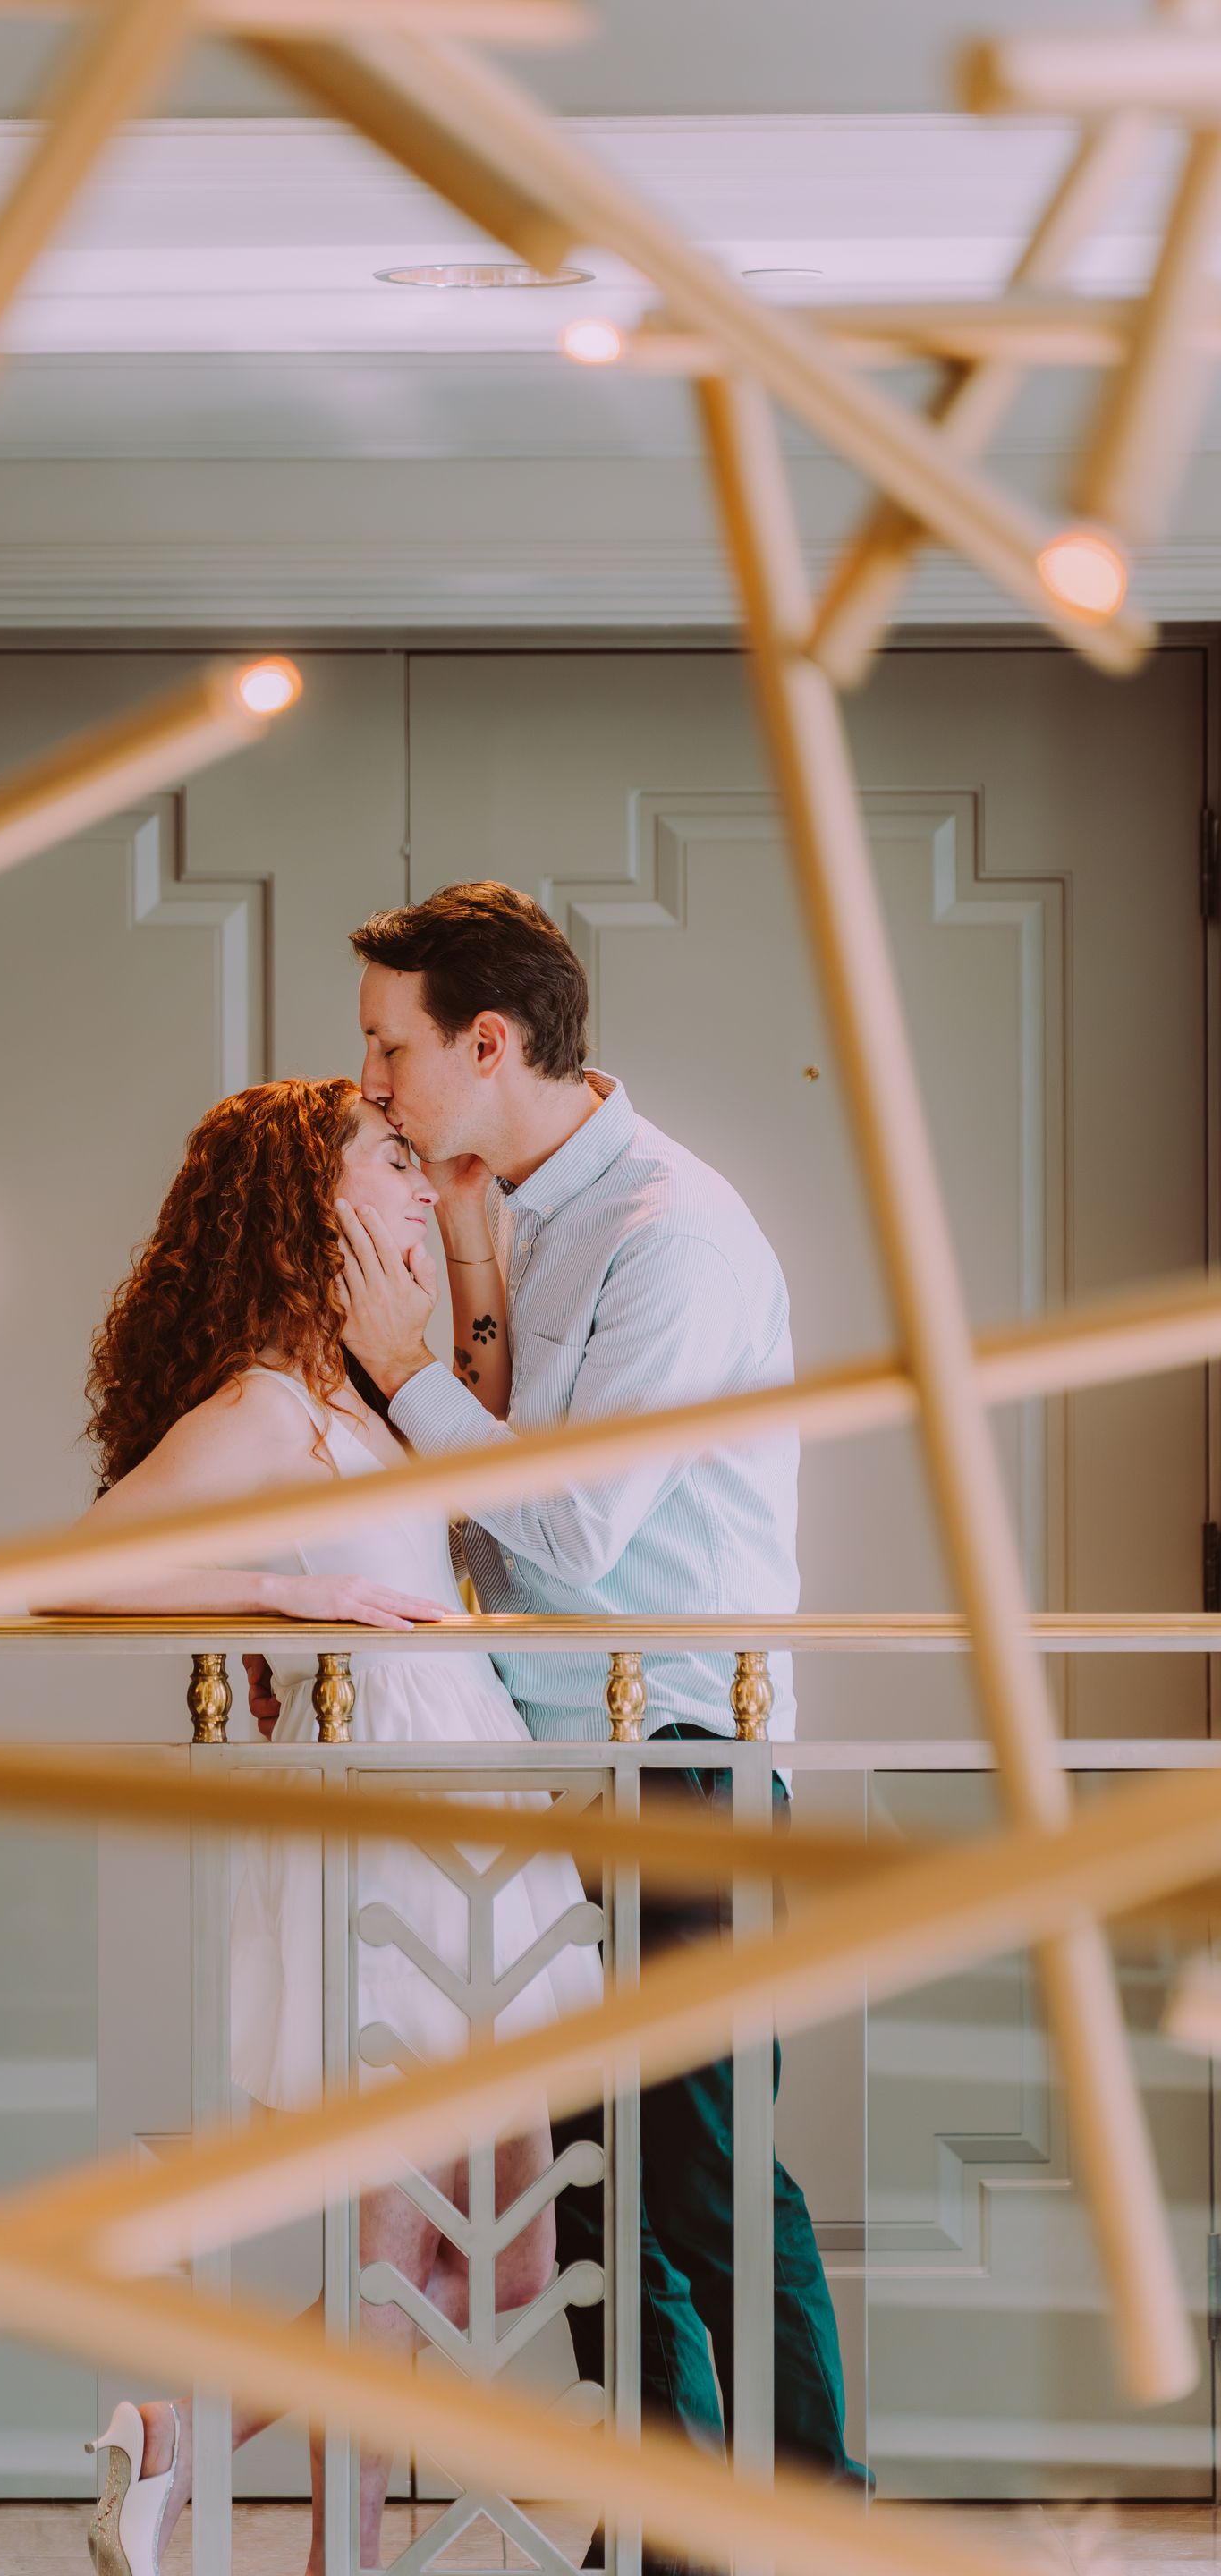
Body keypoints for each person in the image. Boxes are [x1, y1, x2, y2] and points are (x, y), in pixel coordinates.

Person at [335, 882, 865, 2572]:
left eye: (389, 1048)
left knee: (704, 2178)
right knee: (594, 2202)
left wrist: (400, 1361)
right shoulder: (507, 1211)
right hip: (553, 1760)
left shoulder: (668, 1232)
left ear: (491, 1043)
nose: (371, 1088)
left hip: (683, 1764)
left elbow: (569, 1532)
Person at [43, 1074, 603, 2576]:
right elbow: (67, 1575)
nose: (422, 1187)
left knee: (497, 2260)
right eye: (395, 1165)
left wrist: (456, 1256)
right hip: (388, 1825)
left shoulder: (349, 1394)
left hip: (462, 1806)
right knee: (402, 2251)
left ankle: (180, 2436)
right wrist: (301, 1600)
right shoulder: (263, 1408)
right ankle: (332, 2555)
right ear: (312, 1205)